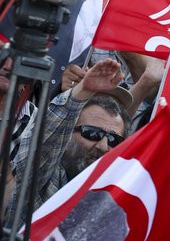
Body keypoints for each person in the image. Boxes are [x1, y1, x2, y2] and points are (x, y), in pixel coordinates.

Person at [10, 59, 129, 212]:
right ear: (67, 133)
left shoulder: (117, 197)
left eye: (114, 140)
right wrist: (81, 92)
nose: (103, 146)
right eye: (92, 133)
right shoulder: (44, 181)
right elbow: (43, 145)